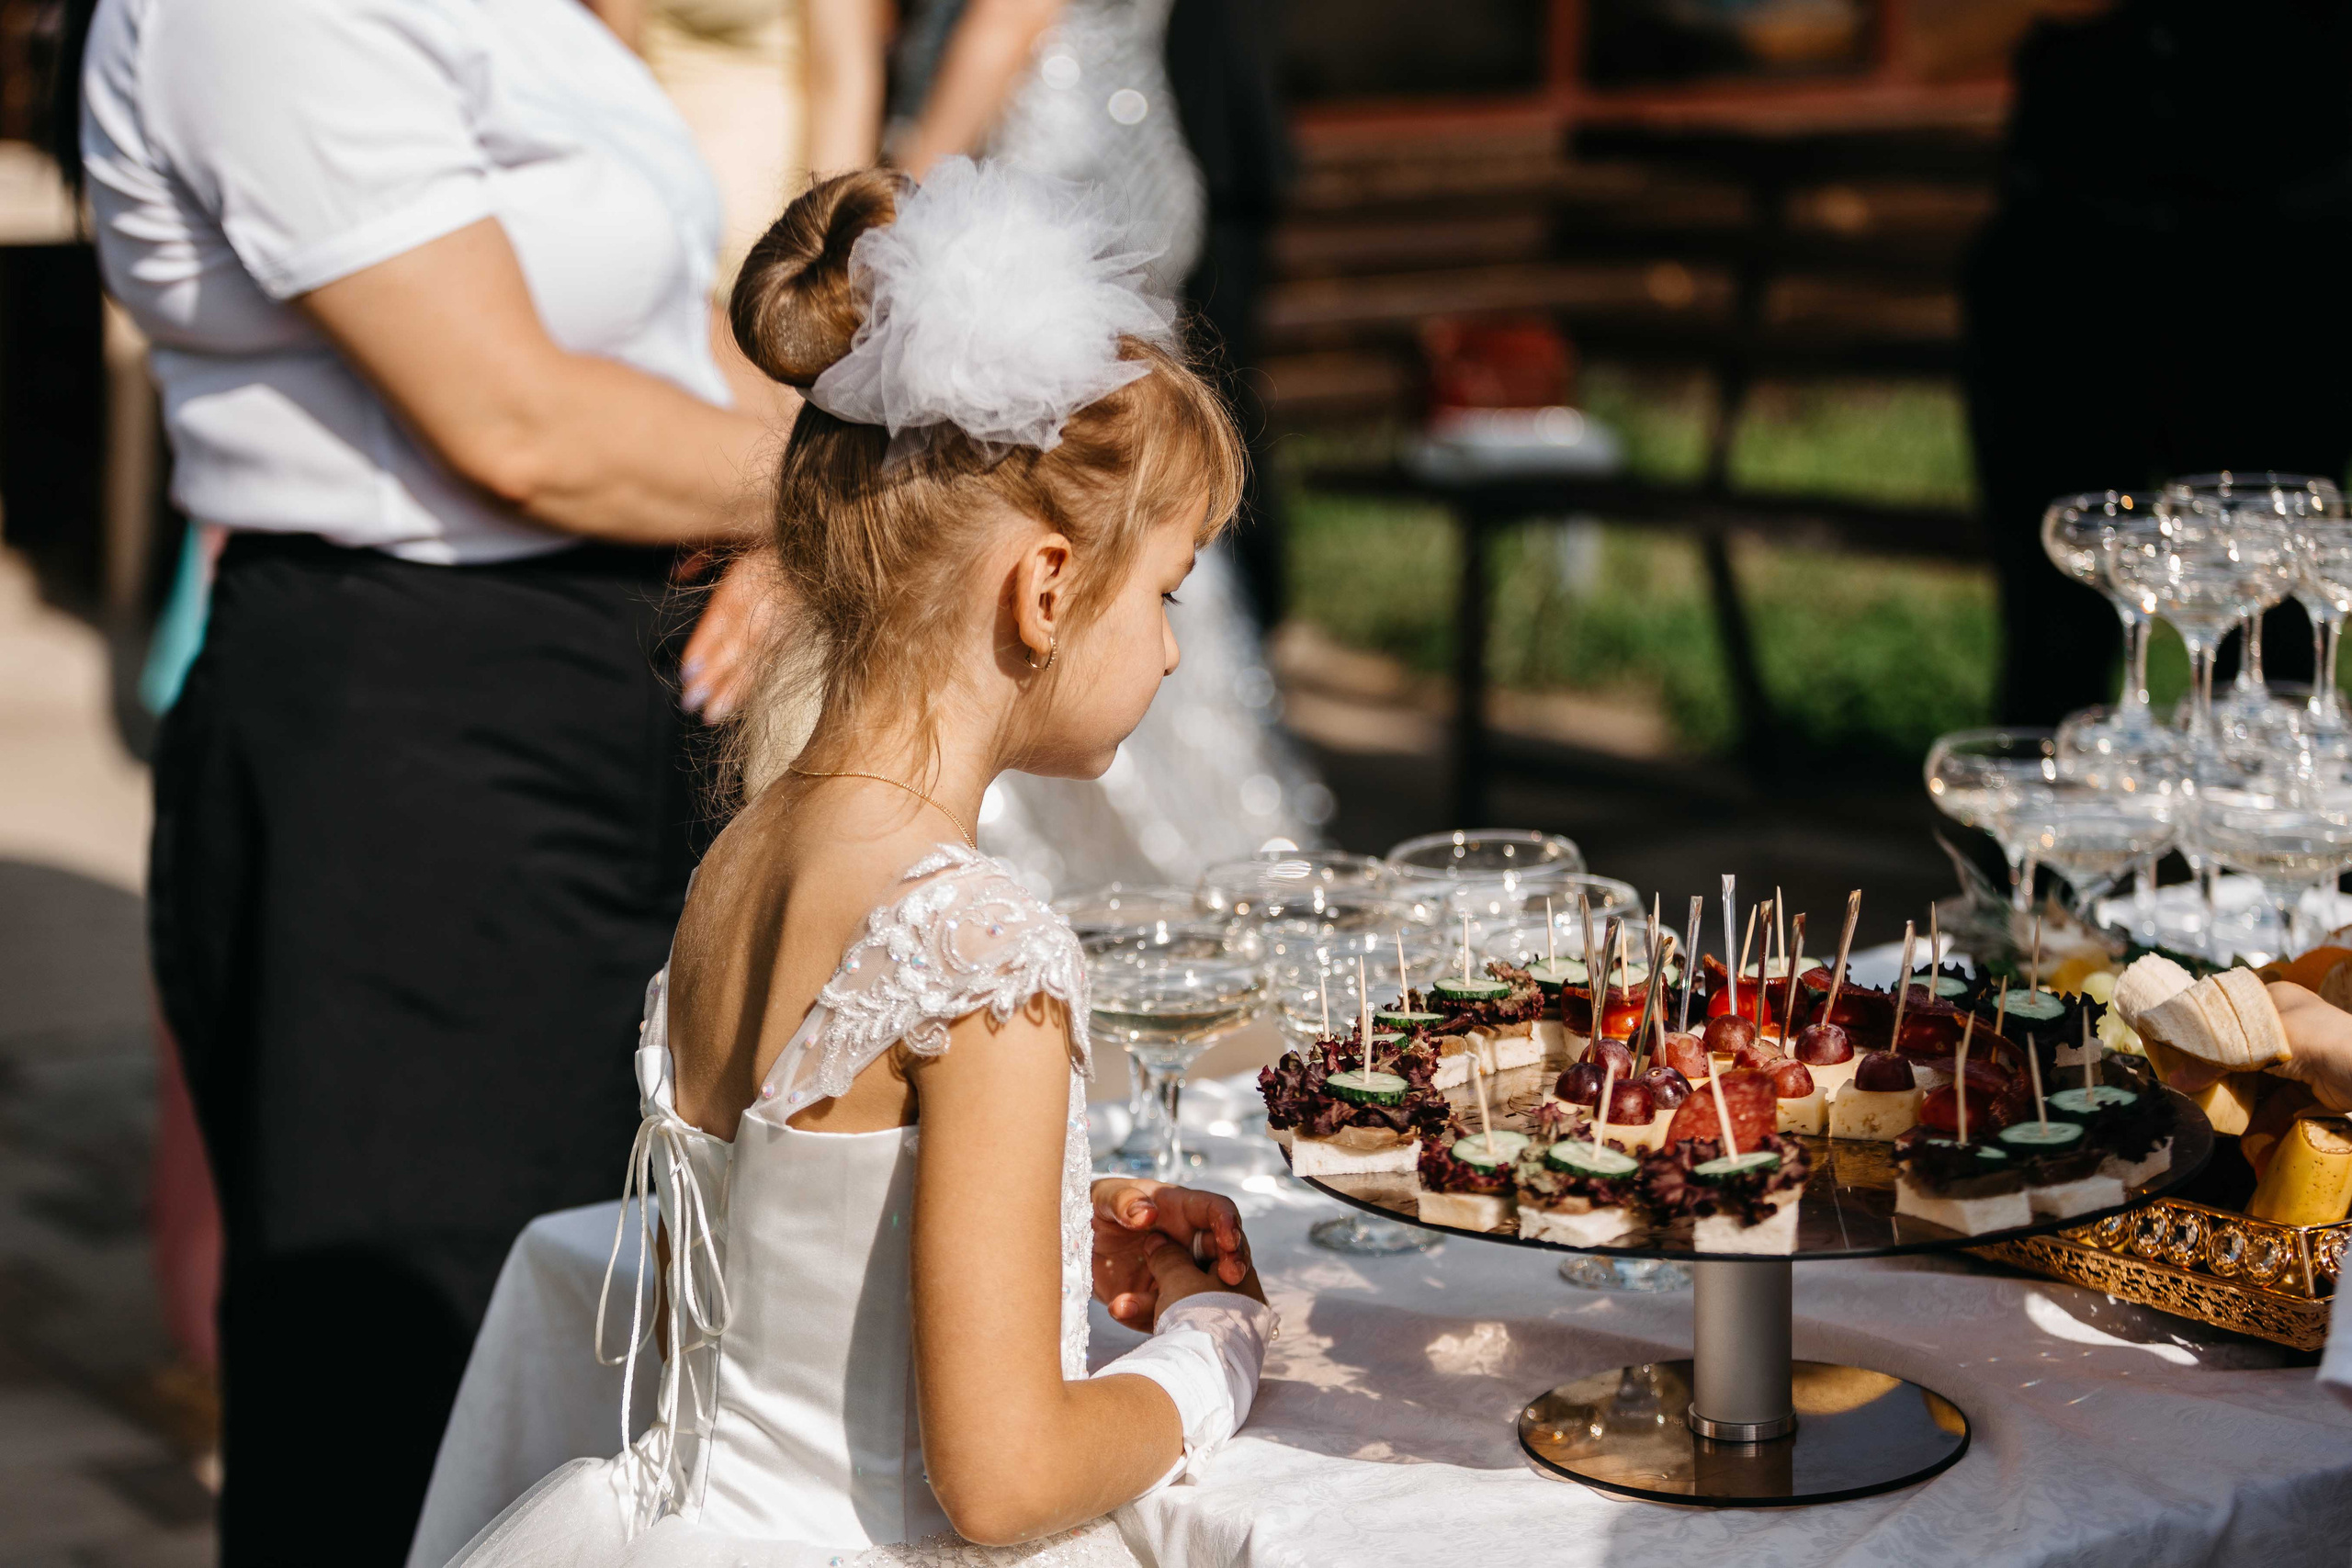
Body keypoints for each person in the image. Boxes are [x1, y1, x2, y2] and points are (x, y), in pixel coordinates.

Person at [445, 162, 1273, 1566]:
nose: (1176, 649)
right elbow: (1001, 1482)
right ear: (1049, 585)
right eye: (1168, 591)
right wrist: (1212, 1351)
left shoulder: (749, 850)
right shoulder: (982, 945)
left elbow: (792, 1243)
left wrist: (1055, 1220)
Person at [74, 0, 791, 1553]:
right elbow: (513, 417)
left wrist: (779, 529)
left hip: (613, 677)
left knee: (601, 1375)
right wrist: (844, 494)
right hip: (405, 736)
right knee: (406, 1397)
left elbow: (650, 359)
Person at [884, 0, 1322, 889]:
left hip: (1051, 170)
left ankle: (1069, 883)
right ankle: (1178, 863)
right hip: (1127, 144)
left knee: (1048, 509)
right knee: (1119, 504)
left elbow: (1007, 19)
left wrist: (899, 207)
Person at [1963, 0, 2352, 728]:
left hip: (2280, 265)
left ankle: (2249, 839)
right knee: (2053, 636)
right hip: (2066, 261)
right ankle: (2056, 840)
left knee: (2272, 647)